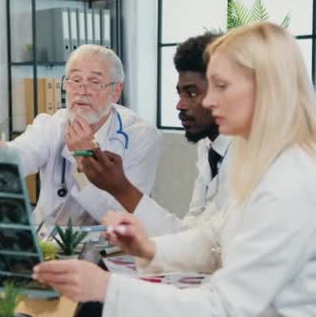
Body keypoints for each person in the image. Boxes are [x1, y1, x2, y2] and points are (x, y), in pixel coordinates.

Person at [32, 22, 316, 316]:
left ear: (265, 88)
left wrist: (109, 288)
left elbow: (226, 307)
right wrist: (149, 247)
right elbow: (214, 237)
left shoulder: (292, 183)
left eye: (221, 87)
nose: (208, 101)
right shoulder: (263, 158)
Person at [0, 44, 162, 226]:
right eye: (76, 80)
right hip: (45, 240)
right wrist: (1, 153)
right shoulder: (53, 124)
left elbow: (123, 217)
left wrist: (84, 161)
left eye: (94, 82)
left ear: (116, 91)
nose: (82, 90)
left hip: (106, 246)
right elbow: (22, 152)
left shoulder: (141, 136)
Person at [80, 33, 232, 235]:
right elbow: (192, 228)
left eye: (192, 93)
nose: (180, 105)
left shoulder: (247, 157)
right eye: (74, 80)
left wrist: (121, 188)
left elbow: (209, 245)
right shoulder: (208, 146)